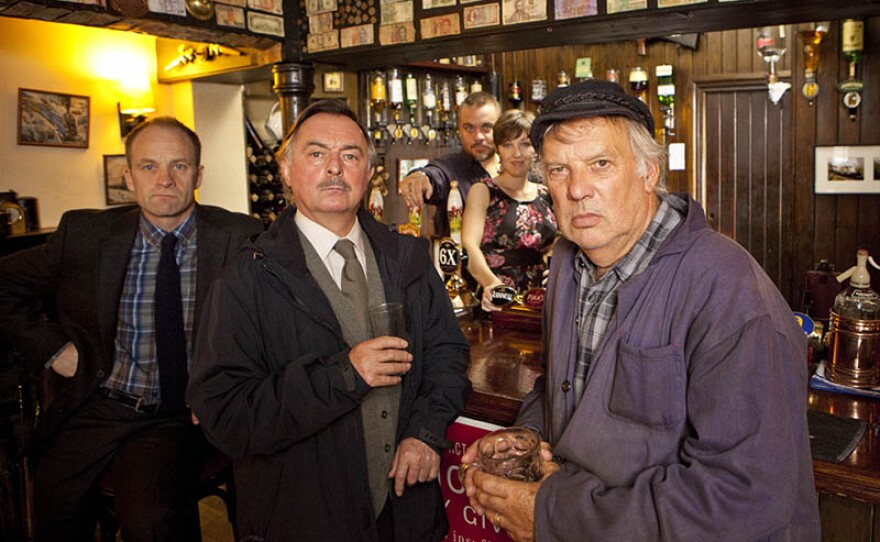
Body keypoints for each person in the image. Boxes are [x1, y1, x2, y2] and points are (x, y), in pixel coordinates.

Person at [460, 80, 820, 541]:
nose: (578, 190)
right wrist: (528, 435)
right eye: (558, 170)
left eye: (601, 164)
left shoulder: (729, 290)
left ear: (648, 171)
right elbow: (565, 387)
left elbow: (743, 494)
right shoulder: (572, 262)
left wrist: (555, 513)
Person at [186, 99, 471, 541]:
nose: (335, 168)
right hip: (302, 518)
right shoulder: (246, 278)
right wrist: (344, 375)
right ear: (286, 170)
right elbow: (226, 416)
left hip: (406, 515)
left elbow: (448, 355)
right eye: (317, 154)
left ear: (369, 173)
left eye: (350, 156)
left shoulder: (408, 259)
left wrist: (425, 433)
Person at [0, 116, 262, 542]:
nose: (164, 179)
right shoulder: (85, 235)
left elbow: (267, 320)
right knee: (53, 510)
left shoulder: (238, 236)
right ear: (128, 176)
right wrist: (54, 350)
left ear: (199, 174)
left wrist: (226, 386)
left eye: (179, 166)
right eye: (148, 166)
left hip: (176, 415)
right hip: (97, 402)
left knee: (152, 519)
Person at [460, 109, 556, 311]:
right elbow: (469, 246)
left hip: (540, 301)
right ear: (498, 149)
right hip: (495, 298)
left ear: (536, 149)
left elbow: (567, 241)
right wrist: (493, 285)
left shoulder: (547, 193)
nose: (517, 154)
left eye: (525, 144)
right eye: (508, 145)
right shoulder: (483, 190)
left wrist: (559, 272)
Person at [398, 91, 500, 237]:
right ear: (459, 130)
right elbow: (433, 175)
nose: (478, 137)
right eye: (469, 128)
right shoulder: (450, 168)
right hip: (460, 259)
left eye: (486, 127)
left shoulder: (515, 168)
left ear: (500, 128)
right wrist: (420, 178)